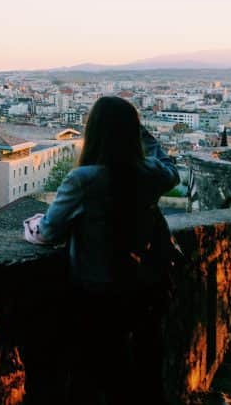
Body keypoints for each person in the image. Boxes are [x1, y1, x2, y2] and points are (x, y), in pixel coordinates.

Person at [23, 95, 180, 404]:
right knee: (145, 372)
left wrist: (33, 226)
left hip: (97, 293)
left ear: (93, 132)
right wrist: (142, 132)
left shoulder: (84, 179)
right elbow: (169, 166)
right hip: (146, 289)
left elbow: (51, 231)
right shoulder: (151, 174)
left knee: (95, 375)